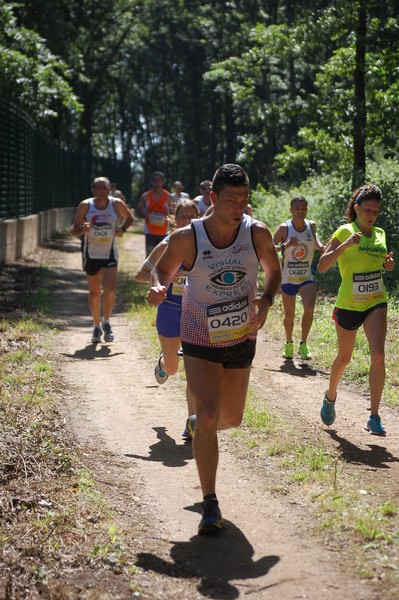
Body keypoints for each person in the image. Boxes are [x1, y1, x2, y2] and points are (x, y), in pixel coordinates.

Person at [147, 164, 281, 535]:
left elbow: (274, 270)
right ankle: (210, 502)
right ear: (213, 199)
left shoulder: (256, 233)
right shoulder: (188, 237)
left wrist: (267, 300)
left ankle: (201, 426)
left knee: (231, 419)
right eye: (230, 199)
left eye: (244, 199)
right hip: (198, 335)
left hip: (241, 336)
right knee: (208, 415)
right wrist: (160, 288)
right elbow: (161, 270)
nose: (238, 206)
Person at [318, 184, 394, 436]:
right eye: (368, 209)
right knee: (344, 357)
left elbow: (378, 263)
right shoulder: (345, 231)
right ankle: (330, 397)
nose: (372, 215)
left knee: (379, 355)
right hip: (349, 304)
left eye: (376, 211)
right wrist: (345, 245)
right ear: (356, 208)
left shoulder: (380, 234)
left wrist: (387, 264)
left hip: (375, 301)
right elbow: (322, 265)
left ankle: (374, 416)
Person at [135, 200, 199, 440]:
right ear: (174, 219)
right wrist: (164, 280)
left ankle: (192, 423)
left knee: (194, 369)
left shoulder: (204, 244)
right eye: (183, 216)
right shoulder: (167, 244)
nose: (188, 221)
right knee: (173, 370)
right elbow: (140, 275)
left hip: (195, 312)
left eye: (192, 216)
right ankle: (163, 363)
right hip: (170, 310)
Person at [70, 176, 134, 343]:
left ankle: (106, 321)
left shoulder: (116, 204)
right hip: (91, 254)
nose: (100, 191)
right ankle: (96, 326)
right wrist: (82, 229)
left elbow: (130, 218)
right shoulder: (85, 206)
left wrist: (122, 229)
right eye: (97, 188)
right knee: (94, 293)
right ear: (92, 190)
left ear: (109, 190)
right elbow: (74, 230)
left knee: (110, 291)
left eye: (104, 188)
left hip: (110, 254)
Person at [273, 196, 325, 360]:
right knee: (289, 315)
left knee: (309, 309)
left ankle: (303, 343)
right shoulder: (284, 228)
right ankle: (289, 342)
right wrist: (285, 245)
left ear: (307, 210)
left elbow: (316, 243)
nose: (300, 211)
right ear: (291, 210)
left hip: (307, 277)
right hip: (288, 278)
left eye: (303, 208)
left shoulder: (311, 225)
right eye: (297, 208)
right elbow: (269, 248)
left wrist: (324, 247)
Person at [136, 171, 174, 256]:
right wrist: (144, 213)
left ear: (163, 182)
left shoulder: (168, 196)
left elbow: (174, 214)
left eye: (160, 180)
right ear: (151, 182)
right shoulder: (145, 196)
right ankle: (149, 269)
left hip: (164, 232)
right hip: (150, 231)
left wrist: (168, 212)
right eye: (155, 180)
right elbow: (138, 210)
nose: (157, 183)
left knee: (161, 257)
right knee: (150, 255)